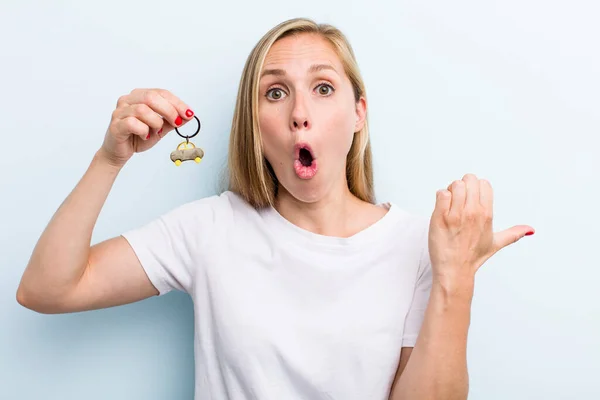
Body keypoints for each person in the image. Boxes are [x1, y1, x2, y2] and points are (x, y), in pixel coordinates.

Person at [16, 17, 534, 400]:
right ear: (255, 125)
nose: (299, 114)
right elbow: (47, 288)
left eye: (323, 88)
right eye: (276, 93)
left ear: (358, 115)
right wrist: (110, 159)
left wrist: (455, 278)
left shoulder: (420, 247)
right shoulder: (208, 230)